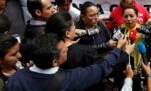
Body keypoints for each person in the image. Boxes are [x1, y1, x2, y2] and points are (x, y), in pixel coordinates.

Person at [6, 32, 134, 91]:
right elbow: (103, 68)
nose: (68, 48)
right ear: (55, 62)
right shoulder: (72, 79)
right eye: (64, 50)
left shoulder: (15, 80)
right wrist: (118, 50)